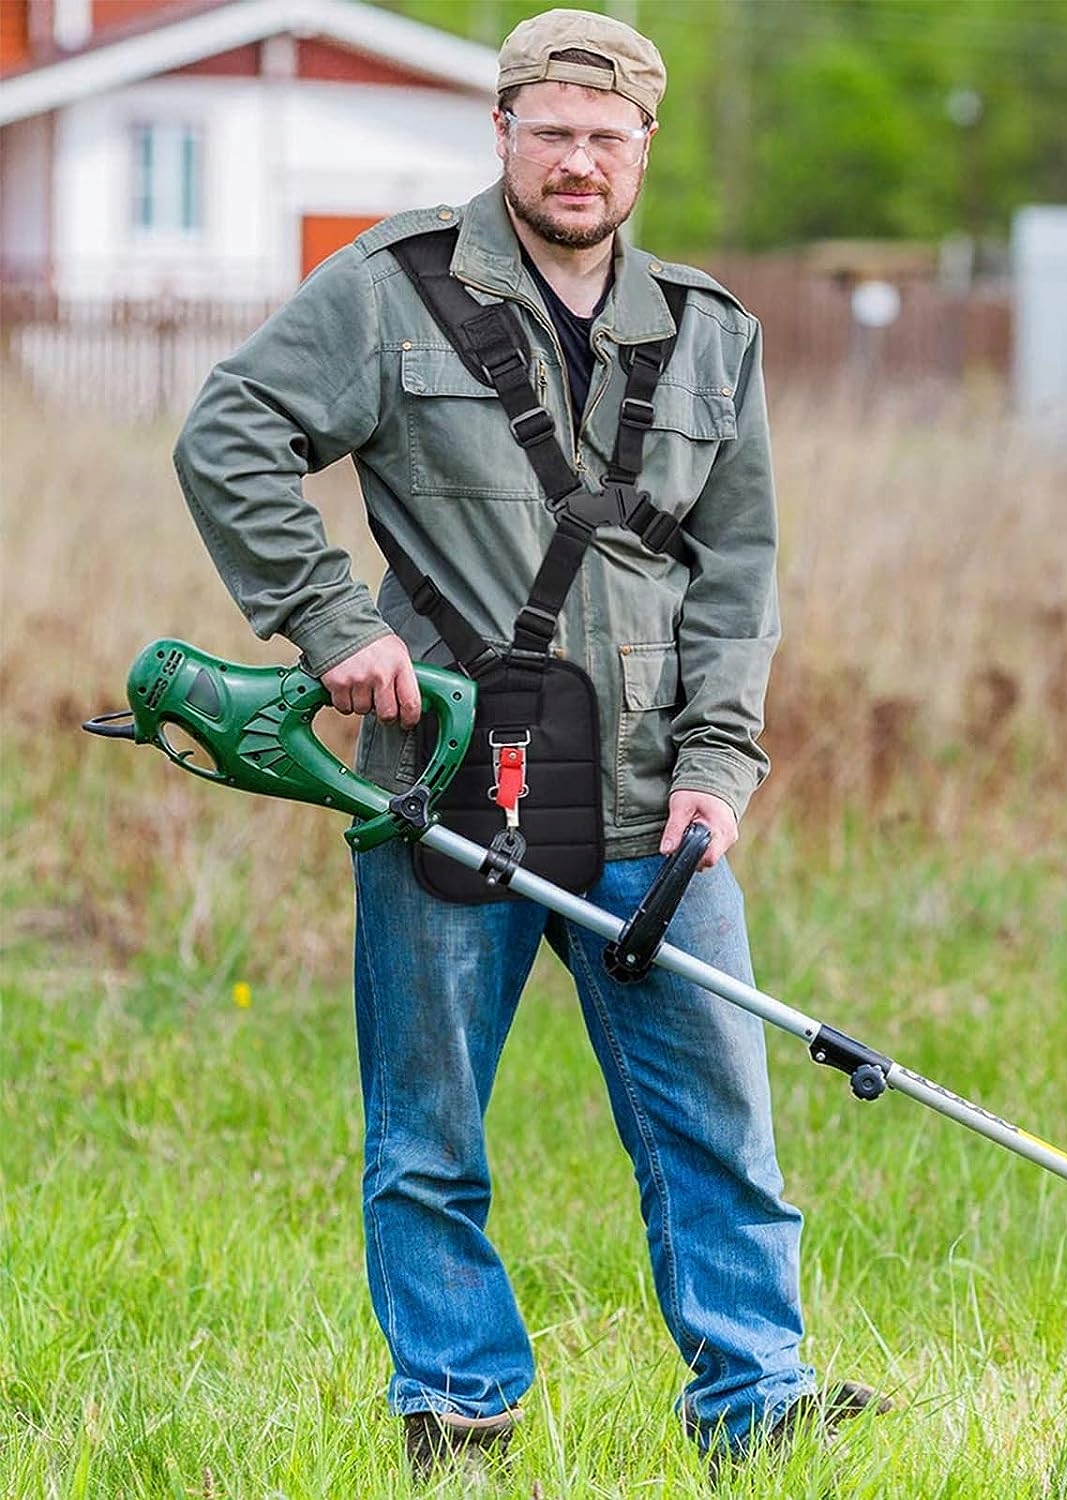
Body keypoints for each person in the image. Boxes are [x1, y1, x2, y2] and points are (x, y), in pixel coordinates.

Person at [174, 6, 884, 1482]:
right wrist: (325, 623)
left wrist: (718, 766)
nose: (577, 161)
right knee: (427, 1138)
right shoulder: (390, 292)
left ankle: (756, 1402)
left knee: (720, 1128)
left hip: (651, 808)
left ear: (645, 149)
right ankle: (459, 1407)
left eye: (605, 137)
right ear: (500, 133)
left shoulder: (706, 332)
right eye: (550, 132)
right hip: (443, 784)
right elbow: (229, 429)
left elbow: (740, 569)